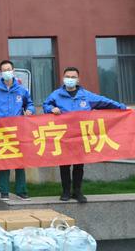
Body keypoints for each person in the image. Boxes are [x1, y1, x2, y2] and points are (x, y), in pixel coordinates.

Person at [43, 67, 127, 203]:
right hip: (63, 136)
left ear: (78, 79)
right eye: (68, 76)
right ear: (63, 78)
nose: (70, 79)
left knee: (79, 165)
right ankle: (65, 191)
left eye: (73, 77)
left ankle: (77, 191)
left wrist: (122, 107)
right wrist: (52, 109)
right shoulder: (56, 95)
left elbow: (105, 102)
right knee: (64, 165)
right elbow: (46, 105)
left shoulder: (86, 95)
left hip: (80, 136)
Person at [0, 60, 34, 201]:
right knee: (3, 161)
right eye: (4, 70)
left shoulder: (21, 90)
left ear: (13, 71)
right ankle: (4, 191)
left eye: (8, 69)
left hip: (18, 130)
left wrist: (29, 110)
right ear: (1, 73)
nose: (7, 72)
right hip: (1, 130)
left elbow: (29, 103)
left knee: (20, 161)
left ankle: (22, 191)